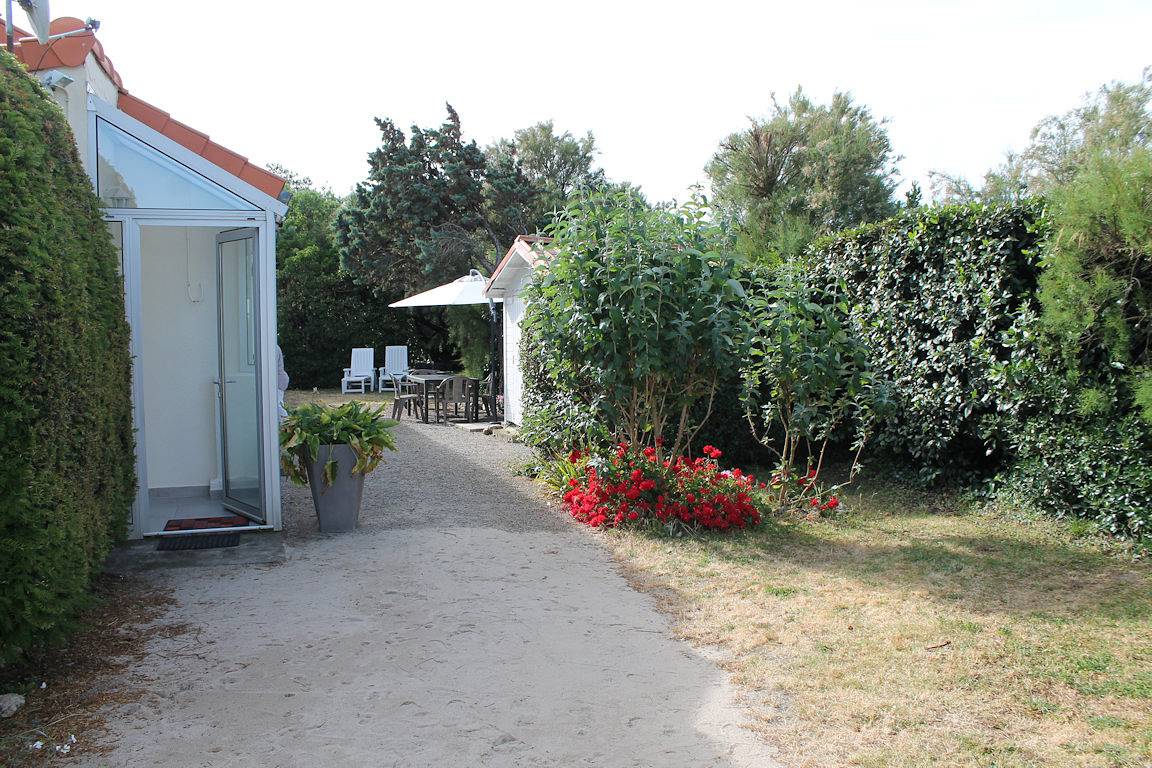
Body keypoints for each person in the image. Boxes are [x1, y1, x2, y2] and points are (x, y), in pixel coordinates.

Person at [276, 344, 289, 419]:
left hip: (278, 380)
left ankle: (286, 421)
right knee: (278, 404)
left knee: (276, 405)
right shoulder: (274, 347)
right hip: (279, 379)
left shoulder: (273, 347)